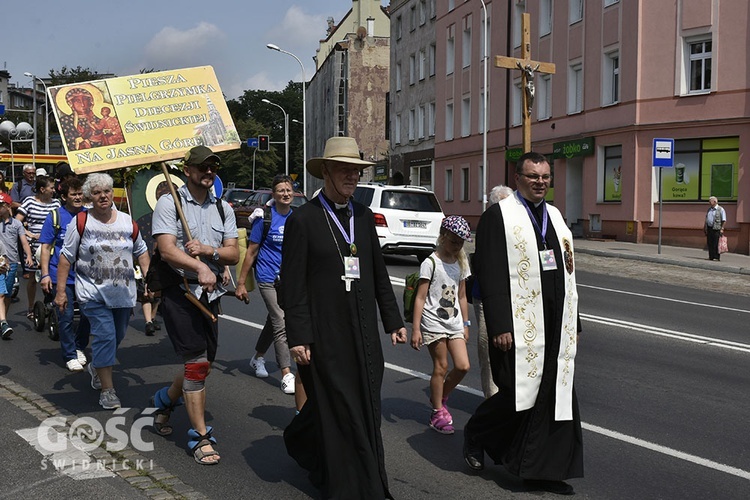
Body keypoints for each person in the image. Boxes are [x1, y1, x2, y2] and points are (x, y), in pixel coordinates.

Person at [280, 136, 407, 498]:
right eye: (345, 170)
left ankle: (315, 453)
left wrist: (394, 320)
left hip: (364, 331)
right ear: (326, 173)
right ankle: (356, 487)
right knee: (343, 409)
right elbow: (293, 285)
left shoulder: (363, 216)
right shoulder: (303, 220)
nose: (352, 177)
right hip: (325, 332)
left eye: (356, 171)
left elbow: (378, 272)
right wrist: (299, 336)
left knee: (365, 404)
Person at [463, 152, 583, 496]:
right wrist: (501, 324)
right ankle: (477, 432)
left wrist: (575, 322)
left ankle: (541, 470)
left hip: (556, 323)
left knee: (552, 397)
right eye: (533, 176)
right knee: (518, 394)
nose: (540, 182)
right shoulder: (498, 217)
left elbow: (569, 275)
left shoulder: (556, 218)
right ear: (518, 178)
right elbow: (491, 272)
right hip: (518, 325)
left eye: (545, 176)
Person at [150, 145, 238, 465]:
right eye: (202, 166)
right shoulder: (169, 203)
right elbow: (166, 249)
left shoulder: (222, 208)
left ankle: (163, 402)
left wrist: (209, 253)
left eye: (213, 166)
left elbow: (233, 253)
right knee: (197, 364)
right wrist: (198, 266)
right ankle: (201, 437)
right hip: (181, 291)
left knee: (203, 365)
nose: (209, 171)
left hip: (210, 297)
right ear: (187, 170)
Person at [55, 173, 150, 410]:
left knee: (116, 336)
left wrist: (150, 280)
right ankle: (107, 390)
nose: (103, 196)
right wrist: (61, 292)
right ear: (90, 196)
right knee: (105, 335)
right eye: (96, 193)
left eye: (106, 191)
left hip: (123, 294)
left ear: (112, 192)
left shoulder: (128, 222)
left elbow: (142, 252)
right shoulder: (81, 222)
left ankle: (97, 365)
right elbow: (66, 258)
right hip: (92, 293)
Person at [235, 174, 297, 395]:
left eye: (288, 190)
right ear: (274, 193)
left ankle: (257, 358)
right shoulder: (264, 218)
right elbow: (251, 252)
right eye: (281, 190)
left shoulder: (296, 218)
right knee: (280, 321)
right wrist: (241, 283)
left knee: (274, 321)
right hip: (267, 277)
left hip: (288, 280)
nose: (285, 194)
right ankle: (287, 373)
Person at [410, 215, 472, 435]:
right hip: (433, 321)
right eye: (454, 241)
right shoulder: (430, 263)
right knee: (441, 366)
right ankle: (437, 412)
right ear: (443, 237)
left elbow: (462, 296)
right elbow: (420, 297)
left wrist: (465, 323)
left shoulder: (461, 262)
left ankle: (441, 396)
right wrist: (416, 329)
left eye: (461, 242)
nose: (458, 246)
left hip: (454, 321)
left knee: (463, 366)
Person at [40, 177, 91, 372]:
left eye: (80, 194)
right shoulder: (56, 216)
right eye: (74, 194)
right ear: (64, 197)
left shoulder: (89, 215)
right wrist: (45, 275)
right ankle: (70, 354)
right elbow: (45, 247)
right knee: (66, 315)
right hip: (60, 275)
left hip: (86, 276)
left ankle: (79, 346)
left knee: (88, 315)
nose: (78, 197)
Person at [472, 184, 514, 399]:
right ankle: (492, 399)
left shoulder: (517, 225)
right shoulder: (490, 224)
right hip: (487, 297)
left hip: (514, 297)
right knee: (489, 350)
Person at [15, 175, 61, 320]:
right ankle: (30, 307)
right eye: (51, 188)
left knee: (52, 275)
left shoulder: (56, 204)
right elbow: (17, 222)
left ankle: (52, 303)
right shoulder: (29, 202)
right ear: (42, 189)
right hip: (33, 246)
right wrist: (28, 233)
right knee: (33, 279)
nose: (54, 190)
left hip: (51, 245)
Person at [0, 193, 33, 338]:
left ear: (7, 206)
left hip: (11, 263)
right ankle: (3, 322)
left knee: (7, 294)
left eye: (0, 206)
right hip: (0, 262)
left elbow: (24, 241)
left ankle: (3, 319)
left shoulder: (17, 224)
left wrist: (29, 256)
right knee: (0, 294)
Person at [58, 87, 103, 151]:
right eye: (78, 101)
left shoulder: (98, 120)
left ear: (90, 102)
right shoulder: (65, 121)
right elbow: (68, 141)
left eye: (85, 100)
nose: (82, 104)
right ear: (71, 103)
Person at [704, 196, 726, 261]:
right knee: (710, 242)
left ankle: (716, 257)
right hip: (709, 228)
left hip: (716, 228)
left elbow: (724, 220)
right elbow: (706, 218)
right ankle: (711, 256)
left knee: (716, 243)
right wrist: (705, 226)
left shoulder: (721, 209)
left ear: (715, 202)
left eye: (710, 201)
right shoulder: (709, 209)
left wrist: (722, 228)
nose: (709, 203)